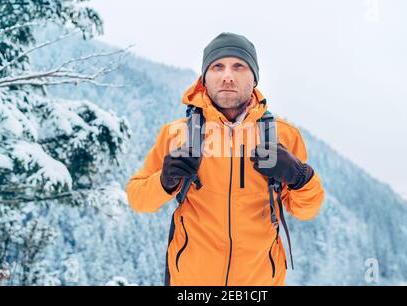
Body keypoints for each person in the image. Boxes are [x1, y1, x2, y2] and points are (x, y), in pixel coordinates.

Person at [126, 32, 325, 286]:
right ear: (204, 78)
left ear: (254, 78)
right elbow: (137, 198)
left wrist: (300, 177)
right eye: (217, 66)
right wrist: (163, 181)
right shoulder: (178, 134)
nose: (227, 76)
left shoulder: (282, 135)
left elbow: (306, 210)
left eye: (239, 66)